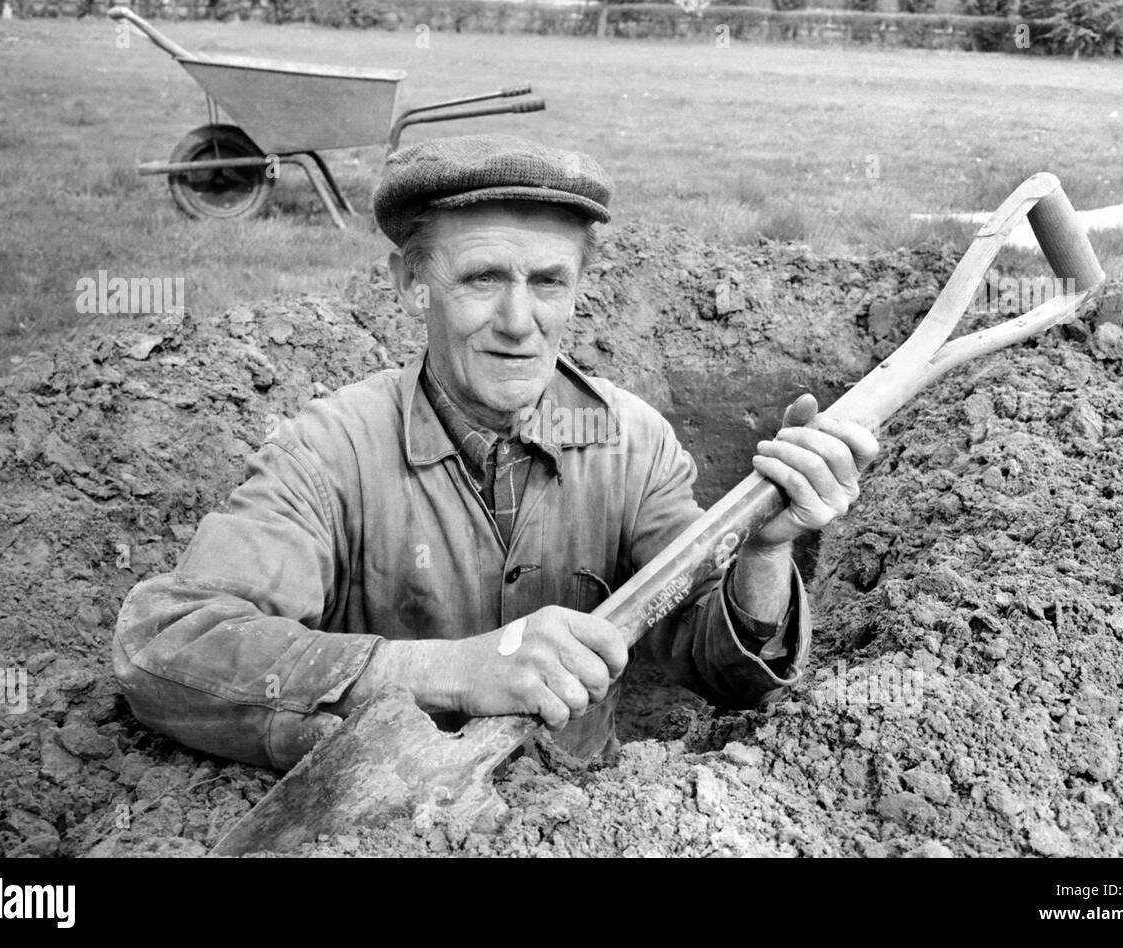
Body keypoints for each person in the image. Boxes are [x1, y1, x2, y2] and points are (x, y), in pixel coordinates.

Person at [113, 134, 879, 771]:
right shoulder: (331, 450)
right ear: (413, 283)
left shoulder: (633, 444)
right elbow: (169, 644)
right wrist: (450, 671)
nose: (520, 321)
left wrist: (765, 555)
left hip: (590, 818)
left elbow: (720, 669)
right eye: (483, 278)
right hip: (391, 826)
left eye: (549, 281)